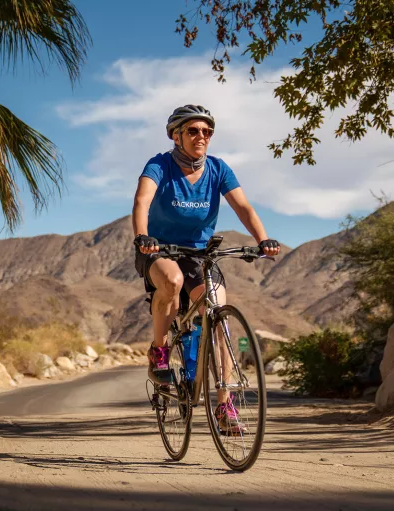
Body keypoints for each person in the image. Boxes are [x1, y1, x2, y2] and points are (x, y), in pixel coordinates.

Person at [132, 104, 280, 434]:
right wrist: (142, 236)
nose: (202, 137)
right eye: (194, 131)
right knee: (172, 280)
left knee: (217, 312)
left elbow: (243, 207)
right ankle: (158, 351)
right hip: (159, 249)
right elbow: (142, 201)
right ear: (176, 135)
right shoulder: (160, 165)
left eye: (207, 132)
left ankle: (225, 403)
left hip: (199, 253)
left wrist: (263, 239)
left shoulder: (218, 168)